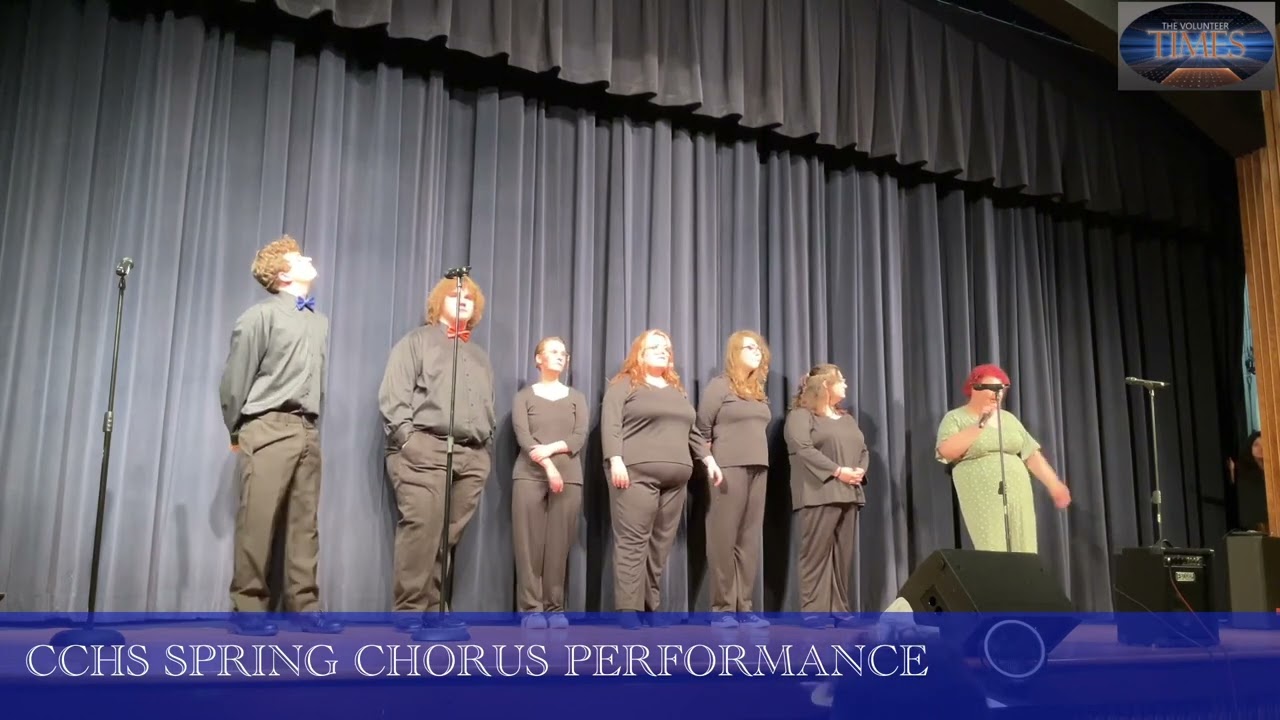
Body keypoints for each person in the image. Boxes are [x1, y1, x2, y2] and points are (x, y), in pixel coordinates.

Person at [218, 235, 342, 636]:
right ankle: (248, 610)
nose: (309, 257)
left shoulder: (318, 320)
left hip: (307, 429)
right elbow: (235, 380)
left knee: (304, 524)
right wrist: (238, 429)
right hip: (268, 424)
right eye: (298, 257)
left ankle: (304, 608)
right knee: (258, 519)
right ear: (283, 273)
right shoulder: (260, 316)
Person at [378, 274, 495, 633]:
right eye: (455, 294)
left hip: (471, 455)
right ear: (438, 302)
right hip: (425, 448)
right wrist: (408, 440)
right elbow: (394, 395)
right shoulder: (417, 341)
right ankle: (409, 615)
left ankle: (436, 612)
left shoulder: (478, 354)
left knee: (447, 537)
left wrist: (484, 448)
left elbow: (487, 404)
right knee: (422, 531)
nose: (463, 300)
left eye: (469, 297)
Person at [602, 329, 723, 628]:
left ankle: (648, 608)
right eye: (654, 347)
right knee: (633, 542)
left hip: (676, 478)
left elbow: (693, 432)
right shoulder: (625, 385)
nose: (662, 351)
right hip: (634, 474)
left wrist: (708, 460)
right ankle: (628, 611)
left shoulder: (676, 391)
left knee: (659, 547)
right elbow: (611, 423)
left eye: (666, 348)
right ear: (639, 354)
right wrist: (615, 459)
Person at [935, 363, 1071, 554]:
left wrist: (1054, 485)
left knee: (1024, 548)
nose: (996, 394)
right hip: (982, 492)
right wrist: (980, 424)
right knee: (993, 547)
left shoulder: (1009, 419)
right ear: (974, 388)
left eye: (1001, 389)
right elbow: (946, 451)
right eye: (991, 388)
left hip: (1018, 491)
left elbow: (1031, 454)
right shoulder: (956, 418)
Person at [510, 337, 589, 629]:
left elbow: (579, 436)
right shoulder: (524, 396)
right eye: (553, 352)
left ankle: (555, 608)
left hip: (569, 476)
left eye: (563, 354)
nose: (560, 357)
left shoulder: (576, 398)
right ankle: (531, 609)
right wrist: (546, 464)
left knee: (559, 545)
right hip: (529, 475)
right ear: (538, 359)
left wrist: (551, 450)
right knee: (529, 545)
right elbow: (524, 436)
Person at [696, 330, 772, 629]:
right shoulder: (720, 386)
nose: (757, 352)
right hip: (727, 468)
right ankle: (723, 609)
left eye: (759, 348)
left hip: (758, 468)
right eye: (749, 347)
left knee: (749, 540)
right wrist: (709, 461)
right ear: (734, 352)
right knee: (723, 539)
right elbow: (700, 430)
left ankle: (745, 607)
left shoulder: (757, 391)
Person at [785, 364, 868, 629]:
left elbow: (863, 449)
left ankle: (839, 610)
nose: (845, 384)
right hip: (818, 493)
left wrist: (858, 471)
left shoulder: (847, 418)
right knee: (816, 555)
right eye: (840, 380)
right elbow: (803, 449)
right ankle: (814, 612)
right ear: (824, 386)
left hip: (849, 492)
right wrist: (837, 471)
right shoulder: (802, 416)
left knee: (842, 556)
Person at [1230, 431, 1266, 533]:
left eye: (1263, 444)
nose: (1260, 448)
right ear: (1250, 448)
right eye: (1256, 445)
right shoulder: (1244, 473)